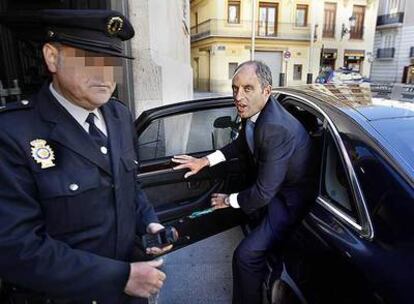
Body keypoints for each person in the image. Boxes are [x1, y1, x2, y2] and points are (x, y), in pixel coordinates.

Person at [0, 9, 171, 304]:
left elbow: (130, 186)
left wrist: (149, 223)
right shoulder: (12, 133)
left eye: (113, 63)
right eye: (90, 60)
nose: (105, 75)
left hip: (132, 290)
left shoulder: (119, 115)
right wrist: (121, 278)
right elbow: (17, 248)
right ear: (52, 57)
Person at [172, 60, 313, 304]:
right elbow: (241, 143)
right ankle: (176, 232)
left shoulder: (275, 128)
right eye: (235, 89)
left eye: (248, 88)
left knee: (246, 256)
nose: (238, 96)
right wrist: (205, 161)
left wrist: (228, 200)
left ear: (266, 91)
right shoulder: (254, 111)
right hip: (270, 184)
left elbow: (263, 193)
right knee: (227, 207)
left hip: (287, 199)